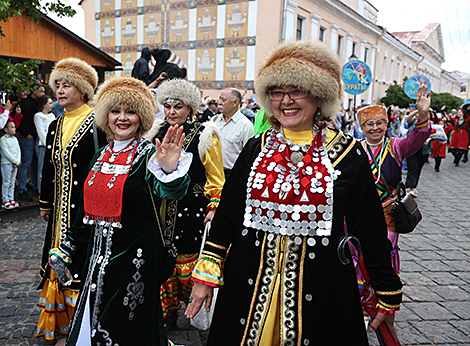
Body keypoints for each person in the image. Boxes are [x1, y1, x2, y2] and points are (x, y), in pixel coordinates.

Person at [186, 40, 402, 345]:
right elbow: (227, 217)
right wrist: (206, 275)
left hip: (323, 295)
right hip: (247, 292)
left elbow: (369, 228)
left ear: (318, 95)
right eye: (276, 92)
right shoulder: (256, 148)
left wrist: (386, 291)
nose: (285, 101)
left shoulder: (347, 154)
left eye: (296, 90)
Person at [48, 76, 191, 345]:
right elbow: (84, 208)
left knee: (128, 328)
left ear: (143, 117)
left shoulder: (150, 154)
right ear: (106, 116)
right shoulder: (100, 154)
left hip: (136, 262)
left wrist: (170, 169)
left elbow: (170, 192)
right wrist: (67, 247)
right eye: (115, 111)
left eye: (131, 111)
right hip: (96, 261)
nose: (122, 118)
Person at [36, 57, 108, 344]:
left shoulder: (97, 122)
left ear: (82, 90)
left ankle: (81, 323)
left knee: (79, 259)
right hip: (58, 209)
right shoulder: (56, 124)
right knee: (56, 256)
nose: (60, 90)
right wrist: (45, 202)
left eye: (67, 85)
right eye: (58, 85)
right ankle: (60, 322)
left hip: (85, 208)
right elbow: (48, 167)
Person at [144, 78, 225, 330]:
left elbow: (216, 177)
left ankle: (195, 309)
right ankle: (165, 312)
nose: (171, 112)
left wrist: (214, 205)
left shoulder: (205, 135)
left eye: (177, 107)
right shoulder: (155, 131)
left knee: (187, 255)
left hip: (191, 209)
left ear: (190, 108)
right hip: (158, 208)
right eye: (167, 106)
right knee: (160, 255)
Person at [356, 87, 431, 279]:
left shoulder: (395, 146)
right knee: (358, 256)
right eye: (369, 124)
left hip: (388, 214)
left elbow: (416, 139)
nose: (375, 128)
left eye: (379, 123)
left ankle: (385, 298)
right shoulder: (355, 148)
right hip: (360, 215)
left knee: (384, 254)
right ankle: (362, 302)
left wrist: (422, 114)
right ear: (362, 127)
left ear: (386, 124)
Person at [211, 88, 254, 177]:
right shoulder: (215, 120)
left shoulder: (245, 125)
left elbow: (249, 157)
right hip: (212, 174)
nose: (219, 103)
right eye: (219, 99)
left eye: (223, 100)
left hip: (232, 175)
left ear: (235, 102)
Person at [18, 82, 45, 201]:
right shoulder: (24, 103)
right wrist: (25, 133)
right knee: (26, 163)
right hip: (27, 136)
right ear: (34, 91)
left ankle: (34, 186)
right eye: (41, 91)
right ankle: (22, 189)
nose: (43, 93)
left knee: (34, 163)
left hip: (35, 136)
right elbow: (18, 120)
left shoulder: (37, 103)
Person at [34, 95, 55, 194]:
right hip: (43, 146)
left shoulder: (52, 115)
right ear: (44, 104)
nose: (52, 105)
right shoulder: (38, 116)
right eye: (50, 103)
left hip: (53, 144)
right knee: (42, 169)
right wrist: (48, 144)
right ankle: (41, 191)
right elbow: (41, 132)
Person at [0, 120, 21, 209]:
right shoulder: (3, 140)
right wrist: (15, 161)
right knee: (6, 182)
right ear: (5, 129)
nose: (14, 129)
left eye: (14, 127)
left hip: (15, 163)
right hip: (7, 163)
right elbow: (6, 152)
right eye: (12, 127)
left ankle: (11, 198)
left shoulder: (15, 139)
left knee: (12, 182)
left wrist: (18, 161)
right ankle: (5, 199)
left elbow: (18, 150)